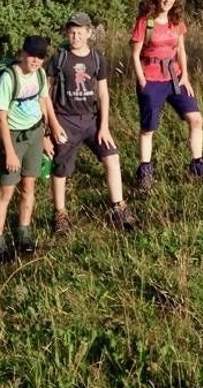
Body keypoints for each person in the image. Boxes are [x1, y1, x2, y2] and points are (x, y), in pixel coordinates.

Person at [44, 12, 140, 235]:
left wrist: (104, 125)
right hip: (64, 120)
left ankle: (118, 208)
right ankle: (60, 214)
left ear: (89, 33)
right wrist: (50, 127)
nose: (75, 36)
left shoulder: (97, 59)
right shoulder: (59, 58)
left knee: (112, 156)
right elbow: (45, 93)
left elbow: (104, 94)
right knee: (61, 168)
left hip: (91, 119)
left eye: (79, 31)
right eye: (71, 31)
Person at [0, 35, 64, 264]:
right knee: (6, 190)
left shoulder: (40, 74)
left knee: (29, 184)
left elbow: (43, 102)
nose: (36, 60)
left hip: (35, 133)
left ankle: (24, 231)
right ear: (22, 53)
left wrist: (47, 134)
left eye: (41, 56)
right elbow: (1, 117)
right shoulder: (9, 79)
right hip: (13, 136)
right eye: (32, 55)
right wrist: (9, 151)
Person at [131, 0, 203, 190]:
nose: (168, 0)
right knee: (149, 129)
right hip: (151, 78)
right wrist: (142, 81)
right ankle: (145, 170)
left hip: (174, 78)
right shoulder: (145, 21)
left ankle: (197, 164)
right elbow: (135, 55)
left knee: (196, 119)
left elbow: (181, 50)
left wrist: (185, 76)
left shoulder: (176, 21)